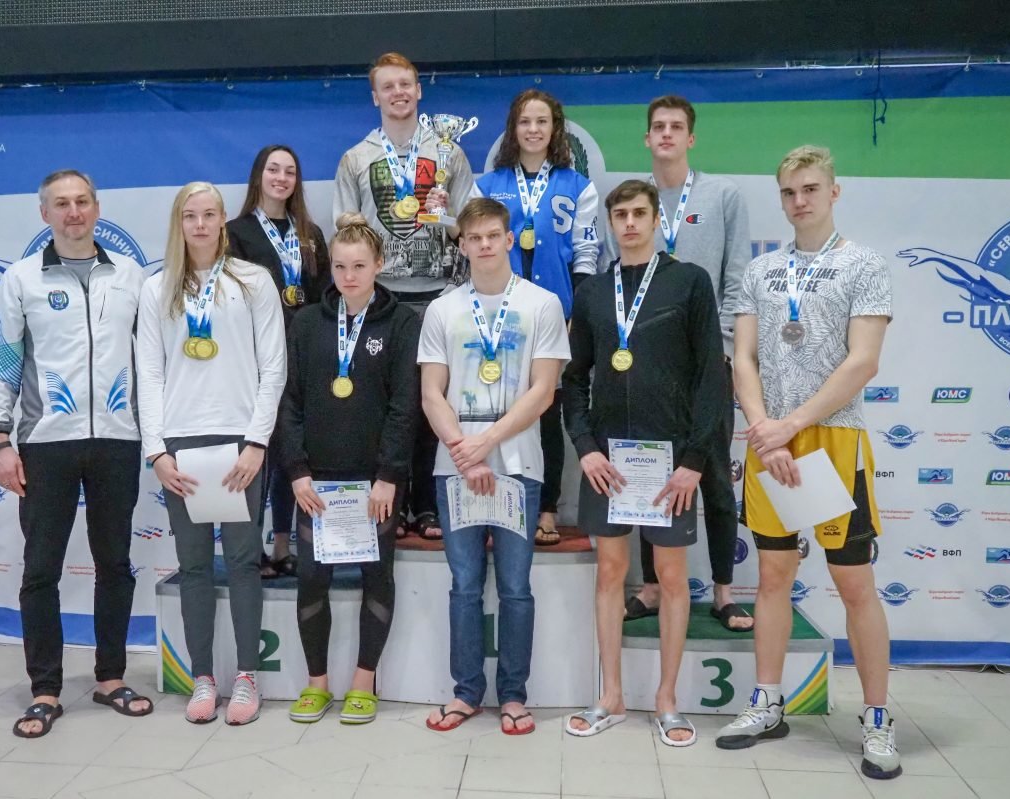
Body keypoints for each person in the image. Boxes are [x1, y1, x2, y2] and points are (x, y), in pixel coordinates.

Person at [718, 145, 900, 780]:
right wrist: (766, 433)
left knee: (854, 584)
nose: (800, 201)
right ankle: (768, 703)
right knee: (772, 578)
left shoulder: (864, 264)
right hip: (770, 445)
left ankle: (877, 717)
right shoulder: (761, 270)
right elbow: (743, 358)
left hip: (833, 442)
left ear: (833, 192)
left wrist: (789, 426)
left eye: (811, 189)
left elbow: (863, 362)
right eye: (790, 192)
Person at [0, 169, 151, 738]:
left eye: (81, 201)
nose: (73, 212)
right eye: (61, 204)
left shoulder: (130, 276)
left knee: (114, 564)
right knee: (41, 570)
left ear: (97, 208)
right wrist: (0, 440)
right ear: (45, 214)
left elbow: (152, 360)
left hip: (117, 441)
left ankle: (110, 678)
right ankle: (45, 690)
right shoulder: (21, 279)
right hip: (45, 444)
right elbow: (0, 362)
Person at [563, 180, 726, 745]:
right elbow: (573, 380)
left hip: (670, 460)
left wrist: (695, 460)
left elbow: (711, 377)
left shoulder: (689, 282)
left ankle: (666, 700)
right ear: (609, 223)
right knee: (611, 573)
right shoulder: (592, 293)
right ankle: (611, 696)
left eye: (639, 213)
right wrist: (586, 448)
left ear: (657, 220)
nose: (629, 223)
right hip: (608, 461)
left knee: (672, 578)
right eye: (620, 215)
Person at [136, 181, 286, 725]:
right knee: (194, 566)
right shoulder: (156, 289)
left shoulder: (254, 281)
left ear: (223, 220)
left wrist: (257, 442)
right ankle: (203, 678)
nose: (199, 225)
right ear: (178, 224)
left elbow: (274, 368)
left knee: (244, 563)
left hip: (240, 442)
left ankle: (246, 678)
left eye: (208, 214)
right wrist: (157, 452)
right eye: (189, 216)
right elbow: (149, 374)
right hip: (181, 444)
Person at [418, 198, 569, 735]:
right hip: (454, 464)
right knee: (463, 584)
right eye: (473, 237)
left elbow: (544, 392)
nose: (484, 244)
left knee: (514, 586)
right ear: (461, 245)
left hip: (518, 463)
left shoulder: (542, 304)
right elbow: (431, 394)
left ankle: (513, 696)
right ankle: (465, 694)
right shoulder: (442, 309)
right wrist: (464, 449)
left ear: (509, 239)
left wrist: (485, 444)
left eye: (492, 236)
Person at [278, 213, 421, 724]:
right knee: (311, 579)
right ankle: (317, 683)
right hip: (315, 481)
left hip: (375, 483)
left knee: (376, 576)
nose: (349, 276)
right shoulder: (306, 323)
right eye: (340, 266)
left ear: (379, 264)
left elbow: (405, 406)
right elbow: (289, 401)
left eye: (359, 266)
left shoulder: (403, 324)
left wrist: (389, 476)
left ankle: (364, 681)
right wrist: (296, 471)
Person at [333, 51, 474, 543]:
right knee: (386, 404)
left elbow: (468, 231)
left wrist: (445, 213)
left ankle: (428, 505)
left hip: (438, 294)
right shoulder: (356, 158)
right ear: (375, 96)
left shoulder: (449, 153)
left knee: (436, 403)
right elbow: (345, 231)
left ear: (419, 91)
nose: (398, 93)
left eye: (405, 84)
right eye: (388, 86)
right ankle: (388, 503)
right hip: (381, 299)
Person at [626, 95, 754, 633]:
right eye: (658, 126)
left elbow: (738, 278)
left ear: (691, 138)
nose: (666, 134)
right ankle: (651, 587)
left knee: (716, 479)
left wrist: (720, 351)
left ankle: (724, 593)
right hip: (648, 364)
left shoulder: (722, 195)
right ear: (647, 138)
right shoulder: (635, 199)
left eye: (676, 127)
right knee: (646, 473)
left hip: (707, 361)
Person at [472, 88, 599, 546]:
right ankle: (492, 506)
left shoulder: (577, 186)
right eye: (525, 121)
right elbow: (472, 244)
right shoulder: (488, 185)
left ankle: (546, 508)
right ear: (513, 128)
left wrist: (574, 315)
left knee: (546, 413)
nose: (533, 129)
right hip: (495, 317)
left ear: (555, 129)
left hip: (554, 316)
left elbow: (586, 254)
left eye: (542, 121)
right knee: (494, 407)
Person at [228, 144, 332, 579]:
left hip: (304, 357)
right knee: (259, 452)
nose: (281, 178)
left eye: (290, 171)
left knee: (294, 452)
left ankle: (284, 546)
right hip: (257, 359)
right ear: (259, 176)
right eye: (273, 169)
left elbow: (325, 296)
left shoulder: (310, 233)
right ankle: (251, 547)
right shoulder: (235, 233)